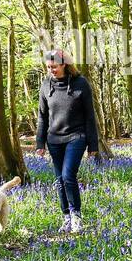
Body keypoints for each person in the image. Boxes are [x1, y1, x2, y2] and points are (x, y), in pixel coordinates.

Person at [34, 49, 100, 233]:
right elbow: (42, 117)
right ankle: (66, 217)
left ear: (64, 64)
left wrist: (93, 145)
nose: (51, 70)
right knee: (59, 180)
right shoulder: (46, 85)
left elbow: (90, 116)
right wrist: (40, 143)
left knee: (67, 177)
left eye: (54, 67)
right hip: (54, 139)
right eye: (48, 67)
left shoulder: (81, 83)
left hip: (76, 137)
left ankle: (76, 216)